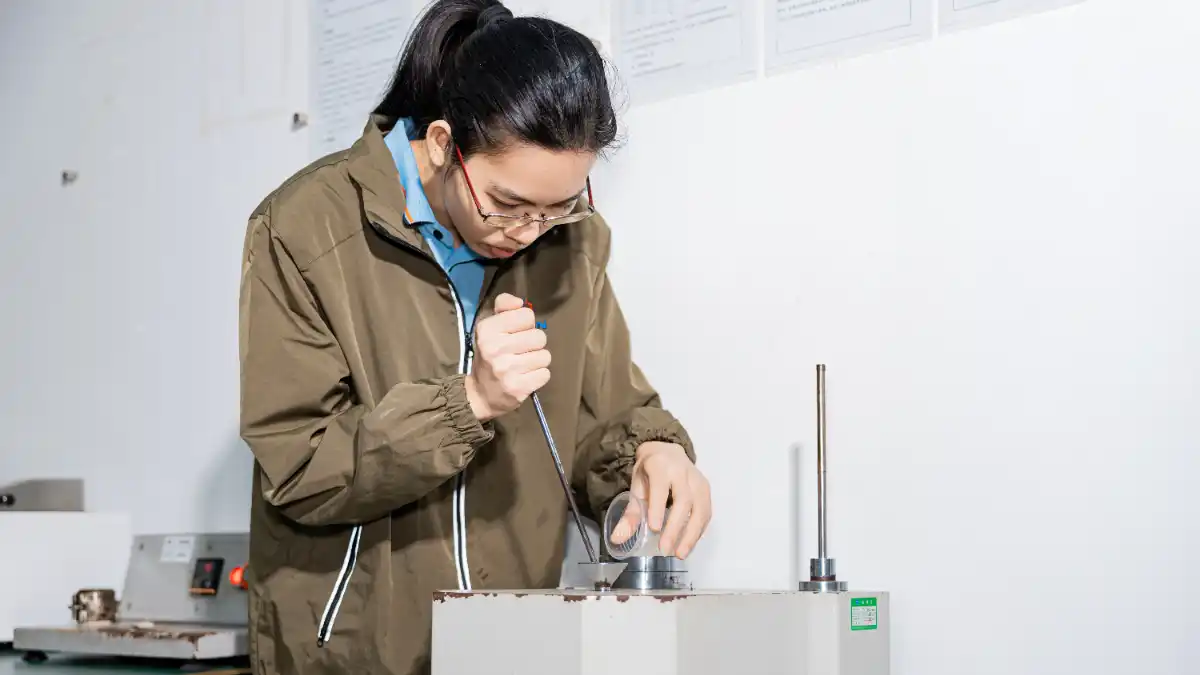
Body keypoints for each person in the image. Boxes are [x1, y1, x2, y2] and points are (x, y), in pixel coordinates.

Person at [237, 1, 711, 673]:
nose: (529, 230)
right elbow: (302, 467)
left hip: (511, 643)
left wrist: (652, 453)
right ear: (440, 144)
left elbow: (600, 420)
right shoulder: (305, 228)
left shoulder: (570, 243)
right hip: (350, 654)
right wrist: (468, 401)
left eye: (558, 206)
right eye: (510, 205)